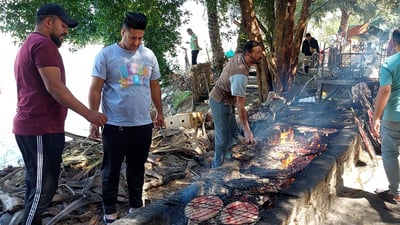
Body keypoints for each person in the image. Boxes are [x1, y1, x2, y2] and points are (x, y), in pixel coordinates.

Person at [13, 3, 108, 225]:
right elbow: (55, 87)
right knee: (41, 191)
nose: (66, 31)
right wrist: (89, 114)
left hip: (38, 128)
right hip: (38, 128)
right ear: (49, 22)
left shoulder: (31, 43)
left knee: (38, 188)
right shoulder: (43, 44)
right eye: (63, 25)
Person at [88, 12, 164, 224]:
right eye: (132, 37)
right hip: (115, 125)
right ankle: (110, 211)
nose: (136, 42)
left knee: (137, 168)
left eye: (140, 38)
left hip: (142, 124)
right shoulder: (106, 55)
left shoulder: (148, 55)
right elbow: (95, 89)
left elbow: (154, 85)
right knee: (111, 169)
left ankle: (135, 207)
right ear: (122, 32)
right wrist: (93, 119)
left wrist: (160, 111)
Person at [209, 40, 262, 168]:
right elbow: (241, 106)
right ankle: (216, 168)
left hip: (228, 100)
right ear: (248, 54)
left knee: (233, 132)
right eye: (258, 53)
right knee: (222, 138)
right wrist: (247, 130)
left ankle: (232, 157)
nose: (261, 55)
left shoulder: (241, 57)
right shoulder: (240, 75)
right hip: (220, 100)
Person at [371, 29, 400, 205]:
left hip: (393, 117)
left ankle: (396, 193)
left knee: (389, 153)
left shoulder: (389, 63)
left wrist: (376, 118)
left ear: (393, 42)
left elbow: (385, 90)